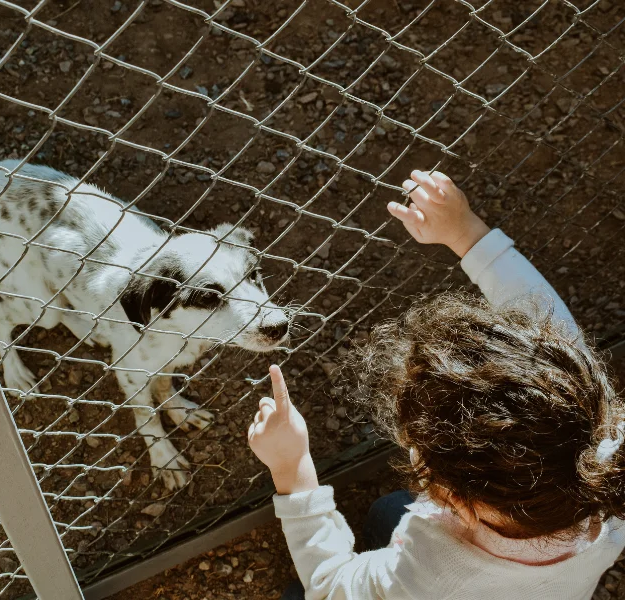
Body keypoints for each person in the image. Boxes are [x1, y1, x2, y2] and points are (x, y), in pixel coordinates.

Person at [247, 170, 625, 599]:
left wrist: (291, 469)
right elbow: (549, 327)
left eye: (418, 447)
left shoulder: (429, 579)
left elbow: (333, 586)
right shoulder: (602, 442)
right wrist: (468, 233)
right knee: (388, 512)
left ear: (455, 502)